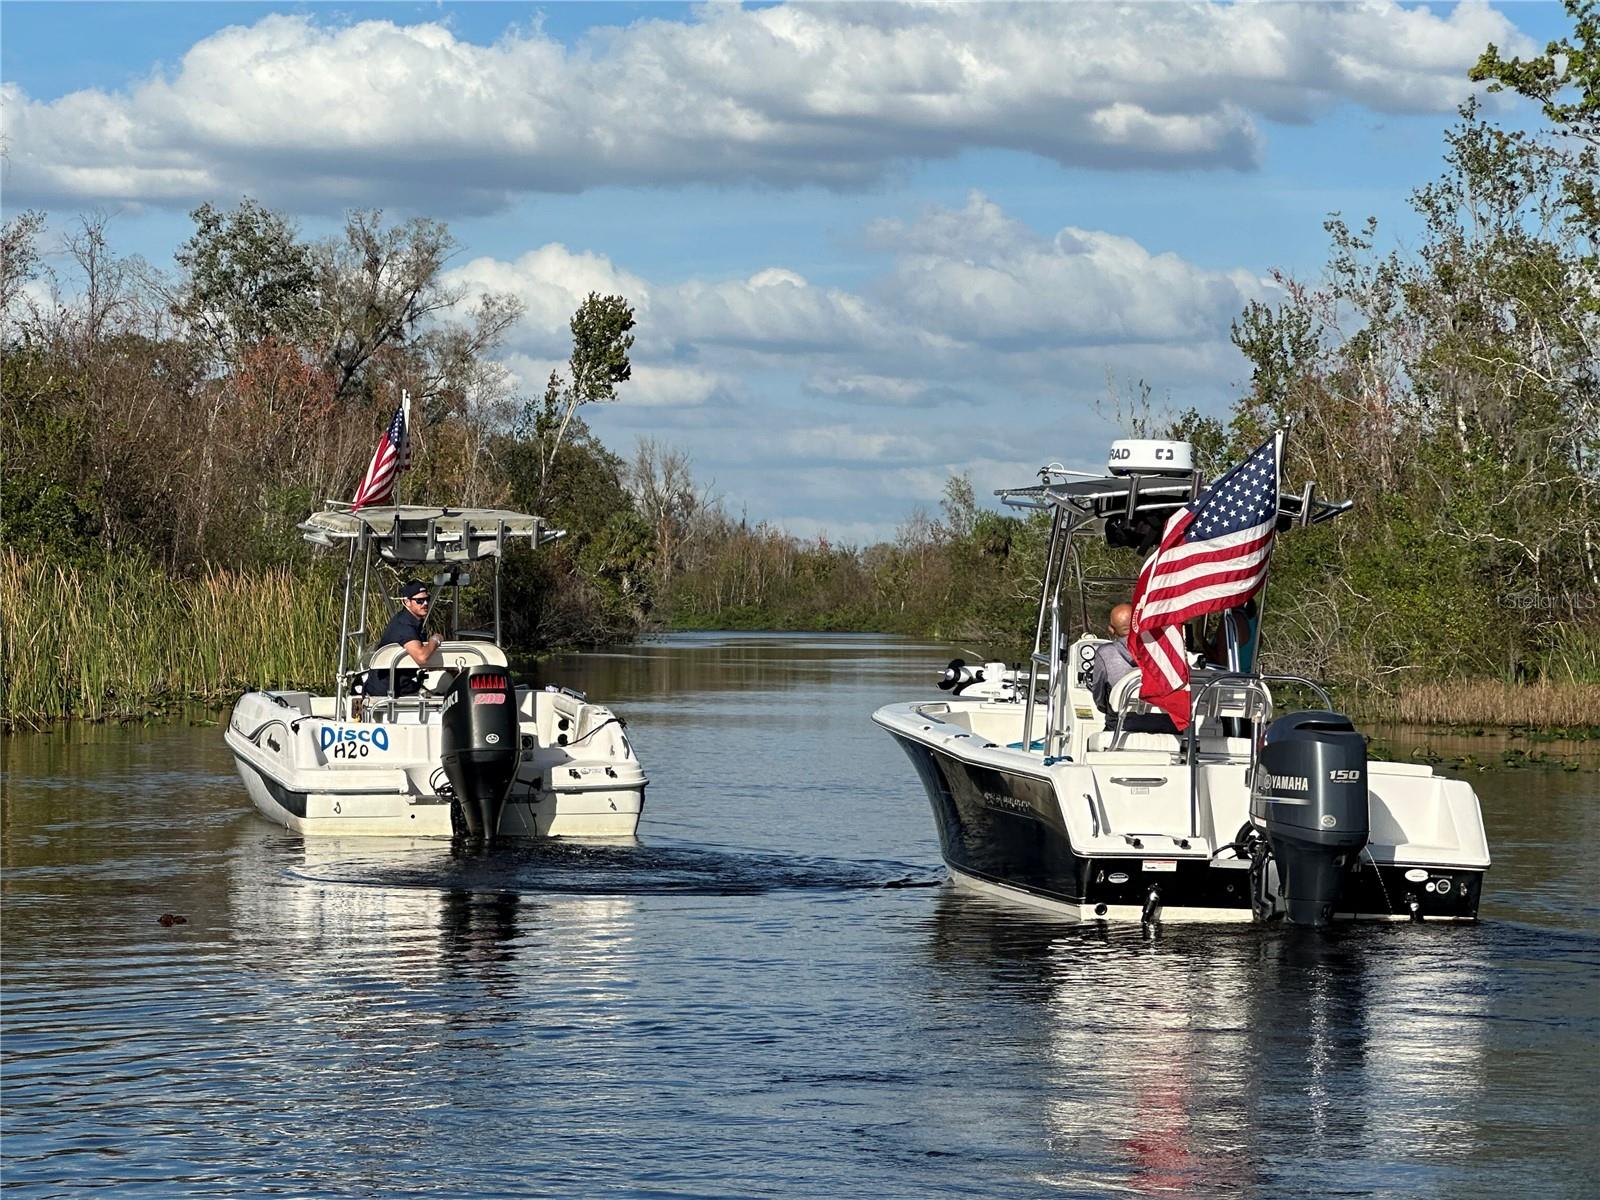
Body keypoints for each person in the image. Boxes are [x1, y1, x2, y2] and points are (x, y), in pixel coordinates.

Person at [1089, 602, 1178, 734]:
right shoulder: (1166, 650)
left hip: (1123, 727)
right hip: (1169, 727)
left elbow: (1100, 699)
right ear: (1139, 622)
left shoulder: (1105, 653)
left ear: (1111, 629)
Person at [364, 580, 441, 697]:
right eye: (419, 601)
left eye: (427, 599)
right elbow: (422, 657)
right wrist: (435, 640)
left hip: (401, 685)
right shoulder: (404, 626)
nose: (425, 603)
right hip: (387, 692)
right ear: (406, 602)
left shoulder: (411, 621)